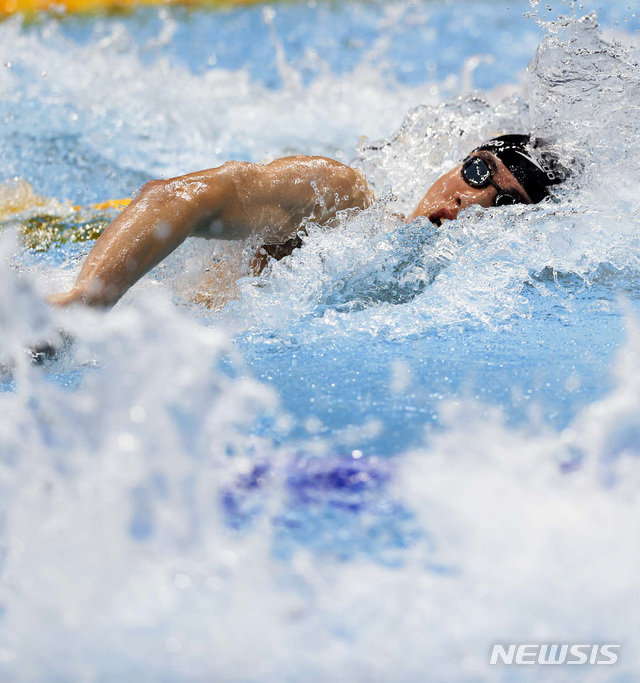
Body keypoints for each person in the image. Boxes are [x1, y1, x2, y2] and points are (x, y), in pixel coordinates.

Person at [47, 134, 563, 310]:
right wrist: (88, 301)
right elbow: (176, 197)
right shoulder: (340, 200)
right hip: (64, 235)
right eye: (476, 172)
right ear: (458, 159)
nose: (467, 202)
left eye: (504, 206)